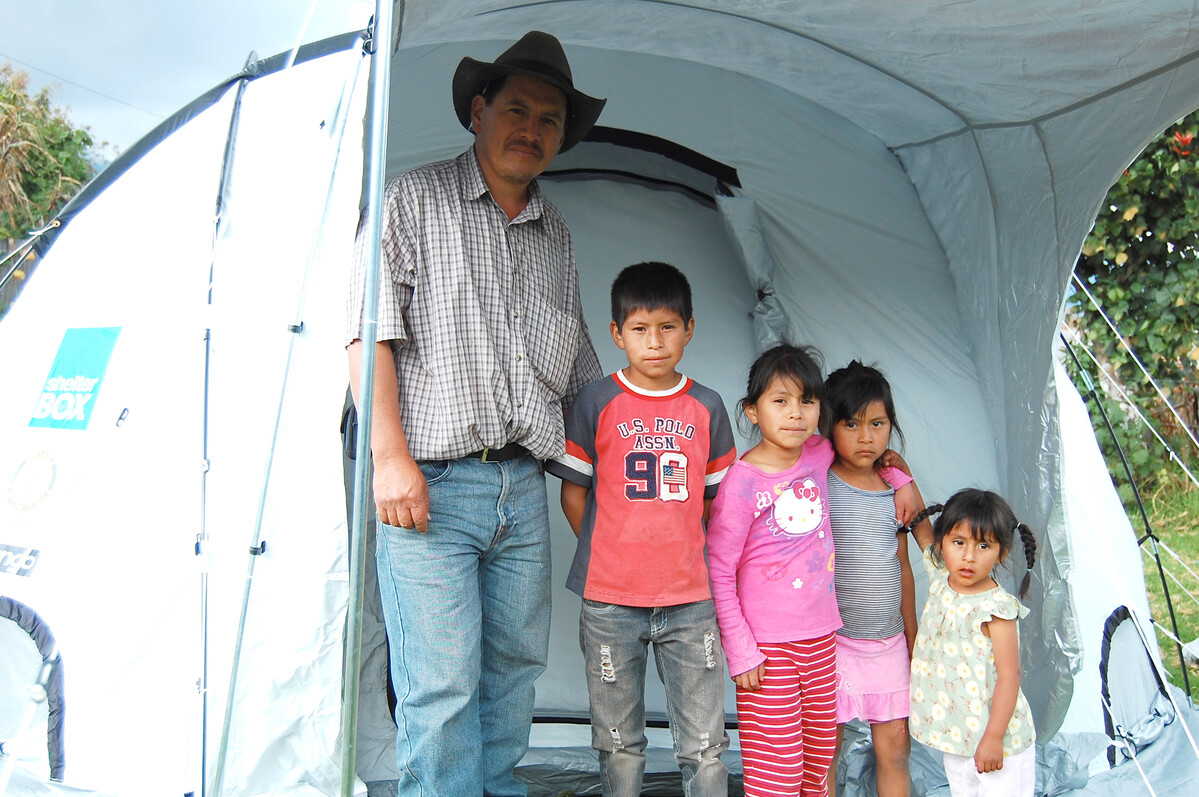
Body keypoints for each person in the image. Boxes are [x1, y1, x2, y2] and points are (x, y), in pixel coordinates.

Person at [344, 31, 606, 797]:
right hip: (429, 487)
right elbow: (365, 334)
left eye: (549, 119)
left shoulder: (553, 231)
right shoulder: (411, 199)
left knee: (512, 676)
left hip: (521, 492)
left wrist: (654, 448)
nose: (531, 129)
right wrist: (389, 459)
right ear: (477, 111)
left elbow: (580, 369)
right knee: (439, 685)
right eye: (516, 109)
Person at [546, 261, 736, 796]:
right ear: (617, 334)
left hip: (690, 597)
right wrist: (611, 551)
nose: (655, 342)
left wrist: (678, 548)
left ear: (690, 329)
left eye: (668, 327)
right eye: (639, 329)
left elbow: (717, 504)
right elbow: (574, 491)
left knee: (704, 743)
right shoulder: (596, 401)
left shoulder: (707, 406)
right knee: (618, 740)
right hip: (609, 601)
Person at [707, 344, 919, 797]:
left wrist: (901, 478)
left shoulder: (819, 453)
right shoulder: (741, 483)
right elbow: (719, 571)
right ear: (752, 411)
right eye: (779, 401)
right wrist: (741, 650)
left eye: (806, 401)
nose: (795, 414)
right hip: (769, 651)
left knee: (818, 762)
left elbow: (875, 457)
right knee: (777, 772)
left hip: (823, 642)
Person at [824, 361, 919, 797]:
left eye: (878, 424)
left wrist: (913, 640)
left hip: (888, 643)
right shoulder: (818, 481)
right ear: (829, 425)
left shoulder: (892, 489)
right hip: (833, 642)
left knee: (896, 747)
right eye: (852, 424)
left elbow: (905, 566)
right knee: (826, 747)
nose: (866, 437)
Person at [905, 490, 1039, 797]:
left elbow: (1010, 676)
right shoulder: (941, 578)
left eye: (983, 545)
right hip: (959, 735)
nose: (969, 556)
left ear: (1002, 552)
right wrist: (902, 473)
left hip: (999, 741)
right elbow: (922, 527)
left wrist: (993, 738)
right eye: (958, 542)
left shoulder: (997, 608)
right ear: (942, 544)